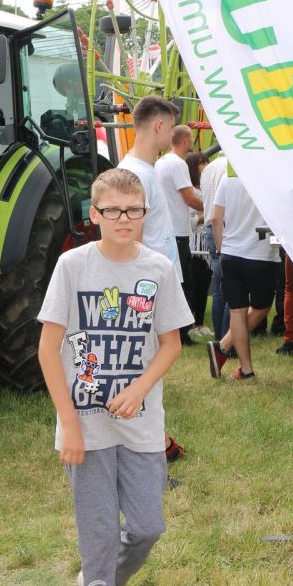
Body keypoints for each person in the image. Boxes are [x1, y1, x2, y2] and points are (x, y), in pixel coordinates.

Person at [38, 168, 193, 586]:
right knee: (98, 537)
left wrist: (139, 389)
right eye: (113, 210)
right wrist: (69, 424)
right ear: (95, 214)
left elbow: (171, 344)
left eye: (134, 210)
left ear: (145, 212)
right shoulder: (73, 267)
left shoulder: (158, 269)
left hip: (141, 426)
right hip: (86, 427)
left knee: (148, 528)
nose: (124, 218)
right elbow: (48, 348)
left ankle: (99, 584)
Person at [119, 96, 185, 459]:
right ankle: (152, 450)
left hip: (152, 287)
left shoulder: (144, 170)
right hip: (144, 291)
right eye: (172, 125)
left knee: (150, 372)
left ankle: (156, 444)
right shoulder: (135, 176)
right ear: (159, 126)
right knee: (144, 372)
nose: (173, 132)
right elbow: (131, 242)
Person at [206, 171, 280, 380]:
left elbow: (215, 218)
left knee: (238, 311)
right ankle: (223, 347)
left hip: (230, 254)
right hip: (262, 254)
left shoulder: (229, 176)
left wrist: (221, 248)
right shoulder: (271, 176)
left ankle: (244, 368)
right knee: (261, 307)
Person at [156, 125, 204, 345]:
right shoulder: (177, 164)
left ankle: (170, 330)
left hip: (167, 229)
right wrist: (213, 207)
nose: (193, 140)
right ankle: (182, 333)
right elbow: (190, 198)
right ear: (185, 140)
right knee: (184, 282)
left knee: (173, 281)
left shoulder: (162, 161)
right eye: (192, 137)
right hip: (178, 232)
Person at [199, 149, 228, 341]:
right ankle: (229, 335)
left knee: (218, 286)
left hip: (210, 227)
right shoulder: (229, 169)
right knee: (230, 287)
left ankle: (220, 334)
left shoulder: (208, 169)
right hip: (224, 228)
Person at [185, 150, 213, 335]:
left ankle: (200, 323)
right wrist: (209, 214)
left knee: (204, 286)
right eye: (201, 163)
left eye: (206, 162)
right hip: (195, 248)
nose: (204, 166)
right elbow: (191, 220)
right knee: (195, 286)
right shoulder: (190, 193)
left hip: (208, 246)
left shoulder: (208, 190)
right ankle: (192, 323)